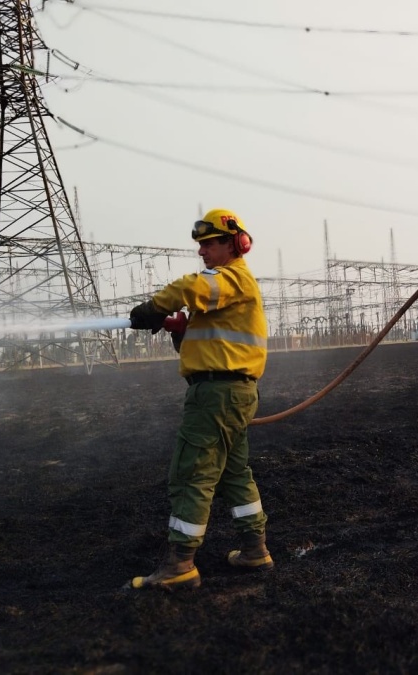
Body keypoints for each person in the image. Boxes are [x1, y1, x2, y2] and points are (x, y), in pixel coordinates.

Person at [126, 208, 272, 590]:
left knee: (192, 473)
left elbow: (191, 287)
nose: (202, 252)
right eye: (201, 245)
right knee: (234, 473)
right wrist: (181, 329)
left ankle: (179, 565)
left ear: (234, 243)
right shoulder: (229, 289)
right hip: (232, 393)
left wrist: (153, 309)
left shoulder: (229, 278)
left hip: (216, 395)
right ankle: (255, 549)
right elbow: (211, 339)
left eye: (209, 244)